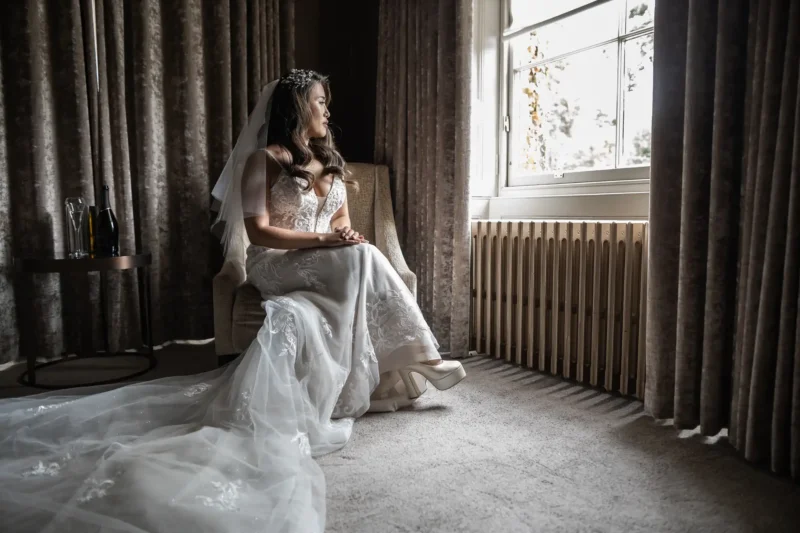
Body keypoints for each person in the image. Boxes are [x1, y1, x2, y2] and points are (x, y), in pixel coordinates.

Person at [0, 69, 465, 533]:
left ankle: (372, 376)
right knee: (358, 258)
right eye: (321, 101)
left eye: (327, 102)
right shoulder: (264, 159)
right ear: (300, 105)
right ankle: (422, 357)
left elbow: (340, 214)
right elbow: (259, 230)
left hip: (328, 262)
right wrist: (327, 239)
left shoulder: (331, 158)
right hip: (275, 263)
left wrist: (343, 231)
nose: (328, 110)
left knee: (359, 253)